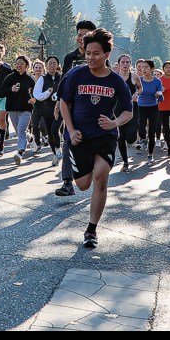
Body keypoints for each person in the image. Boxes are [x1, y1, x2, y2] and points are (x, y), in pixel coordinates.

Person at [57, 28, 134, 249]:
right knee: (83, 185)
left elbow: (128, 111)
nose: (91, 57)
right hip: (79, 138)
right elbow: (64, 102)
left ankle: (91, 230)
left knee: (101, 177)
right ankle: (86, 165)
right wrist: (70, 131)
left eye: (96, 53)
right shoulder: (75, 75)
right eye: (88, 53)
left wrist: (115, 123)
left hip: (105, 136)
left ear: (107, 54)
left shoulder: (116, 81)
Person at [54, 19, 97, 197]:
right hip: (72, 107)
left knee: (92, 143)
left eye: (85, 35)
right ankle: (67, 182)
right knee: (68, 140)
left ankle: (94, 174)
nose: (81, 38)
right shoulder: (69, 58)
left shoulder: (98, 57)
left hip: (94, 107)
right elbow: (64, 82)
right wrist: (58, 101)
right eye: (79, 35)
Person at [0, 55, 37, 165]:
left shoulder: (30, 79)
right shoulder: (10, 78)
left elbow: (36, 94)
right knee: (19, 131)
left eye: (22, 63)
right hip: (12, 108)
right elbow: (1, 92)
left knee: (21, 129)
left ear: (27, 66)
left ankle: (20, 152)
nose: (19, 65)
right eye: (17, 63)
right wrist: (11, 89)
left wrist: (34, 99)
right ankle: (30, 139)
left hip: (26, 108)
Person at [33, 55, 63, 166]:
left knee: (55, 129)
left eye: (54, 63)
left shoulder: (62, 78)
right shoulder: (42, 79)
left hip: (60, 109)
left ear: (58, 65)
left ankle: (59, 149)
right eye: (50, 63)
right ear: (46, 65)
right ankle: (55, 154)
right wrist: (47, 92)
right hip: (47, 109)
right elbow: (37, 95)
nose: (52, 65)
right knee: (50, 133)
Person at [113, 54, 140, 171]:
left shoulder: (134, 77)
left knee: (131, 137)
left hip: (132, 108)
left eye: (127, 62)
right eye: (123, 62)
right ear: (118, 64)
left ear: (130, 64)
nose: (125, 64)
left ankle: (133, 140)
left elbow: (140, 88)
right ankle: (125, 162)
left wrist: (137, 94)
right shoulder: (114, 77)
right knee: (121, 137)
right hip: (118, 109)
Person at [136, 59, 164, 162]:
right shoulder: (139, 80)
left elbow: (161, 98)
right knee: (141, 127)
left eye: (146, 67)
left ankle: (150, 154)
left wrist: (158, 95)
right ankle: (143, 139)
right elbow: (136, 92)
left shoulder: (157, 81)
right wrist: (135, 96)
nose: (143, 69)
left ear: (152, 69)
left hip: (153, 107)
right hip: (141, 106)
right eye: (142, 67)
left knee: (152, 131)